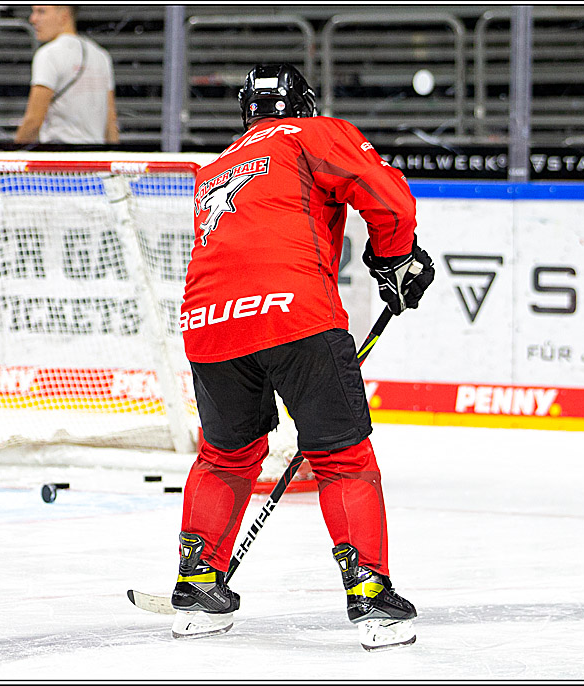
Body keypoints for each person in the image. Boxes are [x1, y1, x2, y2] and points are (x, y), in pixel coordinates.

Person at [170, 63, 435, 650]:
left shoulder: (214, 167)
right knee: (342, 458)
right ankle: (370, 597)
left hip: (207, 323)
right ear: (304, 104)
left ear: (247, 110)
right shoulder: (314, 134)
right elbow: (387, 195)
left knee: (224, 457)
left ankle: (197, 587)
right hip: (296, 315)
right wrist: (396, 258)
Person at [14, 5, 119, 144]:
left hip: (61, 157)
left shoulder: (49, 54)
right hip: (95, 157)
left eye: (41, 11)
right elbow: (111, 121)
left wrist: (12, 157)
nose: (33, 19)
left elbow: (33, 121)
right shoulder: (101, 55)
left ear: (64, 15)